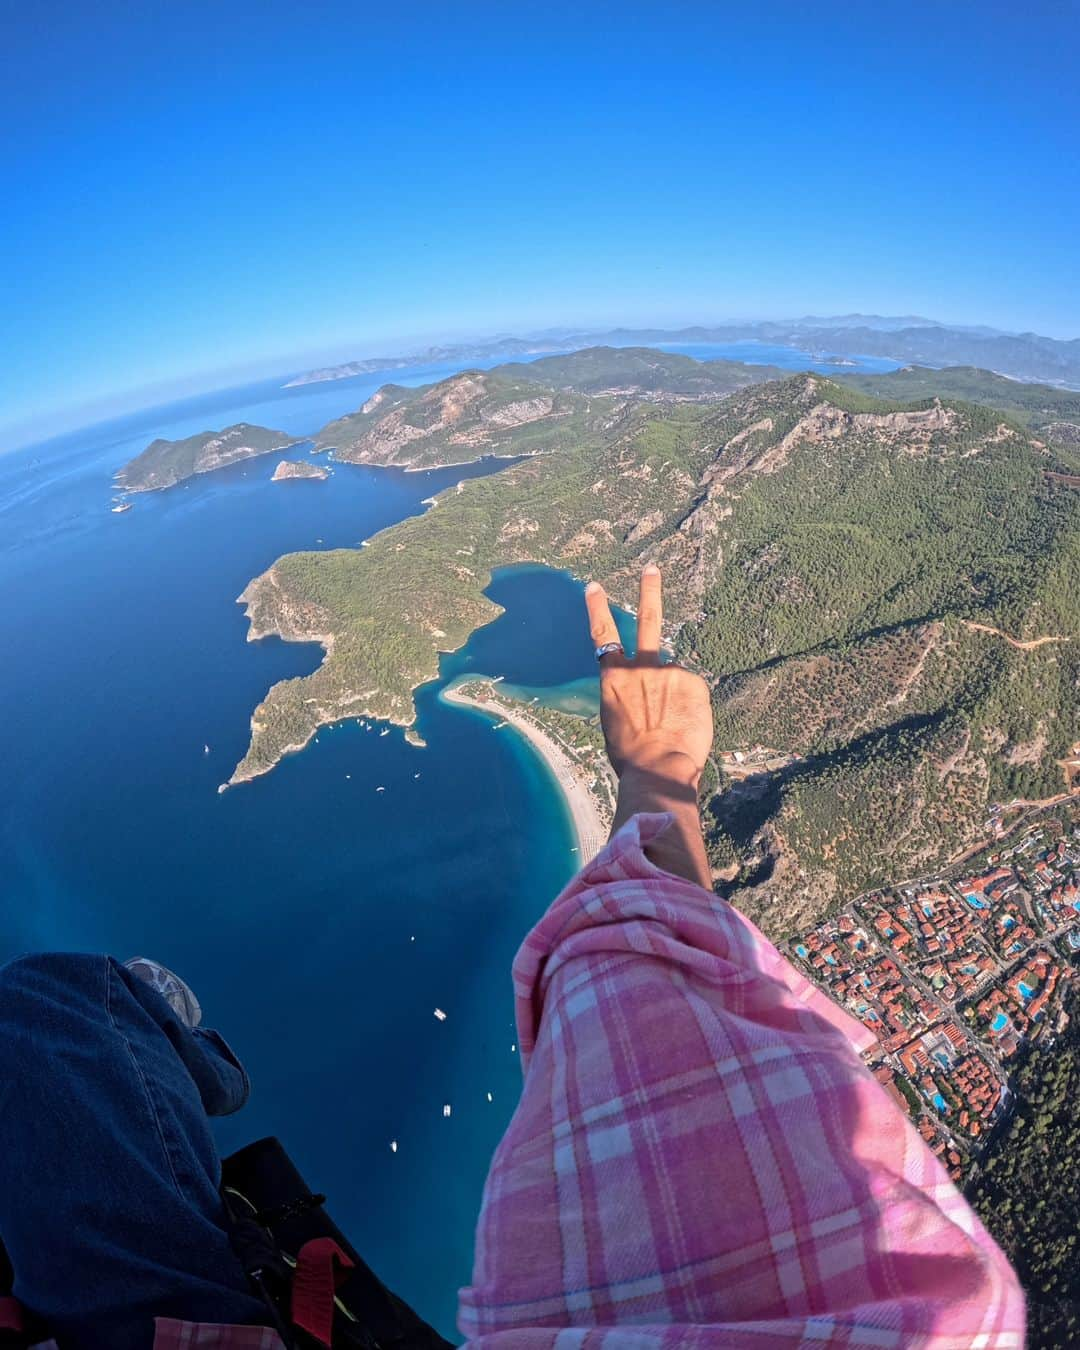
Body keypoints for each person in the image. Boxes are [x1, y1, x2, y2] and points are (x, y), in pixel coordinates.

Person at [0, 565, 1024, 1349]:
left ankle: (186, 1058)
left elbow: (649, 999)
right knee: (56, 1014)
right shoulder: (925, 1314)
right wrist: (658, 774)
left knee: (51, 1017)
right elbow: (647, 1007)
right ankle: (182, 1053)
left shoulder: (936, 1306)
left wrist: (658, 772)